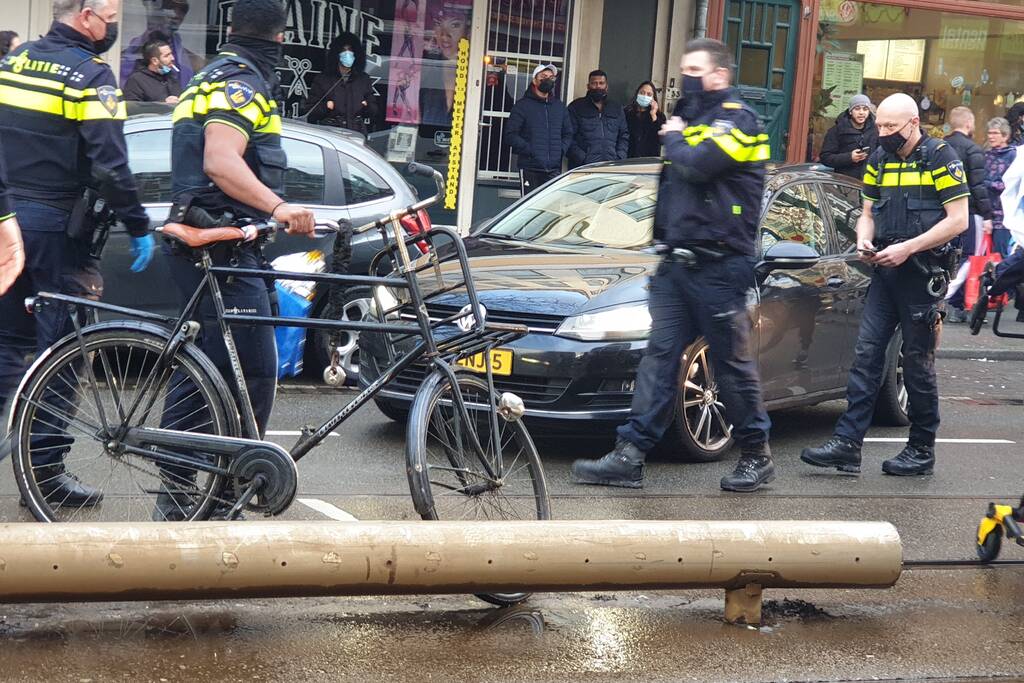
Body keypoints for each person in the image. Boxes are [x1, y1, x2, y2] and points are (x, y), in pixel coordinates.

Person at [570, 38, 774, 492]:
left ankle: (756, 455)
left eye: (695, 69)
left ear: (719, 74)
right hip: (677, 264)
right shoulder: (690, 118)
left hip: (721, 265)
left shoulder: (739, 119)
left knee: (730, 363)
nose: (687, 76)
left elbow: (700, 166)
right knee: (658, 360)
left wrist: (674, 136)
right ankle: (630, 455)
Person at [155, 0, 314, 519]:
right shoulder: (241, 84)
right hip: (218, 248)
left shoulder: (207, 78)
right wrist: (280, 205)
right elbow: (219, 161)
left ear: (230, 28)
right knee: (250, 371)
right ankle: (202, 497)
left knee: (210, 368)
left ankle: (201, 494)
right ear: (281, 38)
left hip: (220, 244)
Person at [0, 0, 155, 499]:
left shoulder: (12, 64)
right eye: (111, 17)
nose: (113, 26)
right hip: (57, 233)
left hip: (7, 228)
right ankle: (43, 477)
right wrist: (138, 224)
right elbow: (111, 162)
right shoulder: (90, 77)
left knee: (6, 347)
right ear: (86, 14)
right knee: (62, 353)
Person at [801, 93, 969, 478]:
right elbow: (866, 213)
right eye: (880, 125)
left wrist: (908, 248)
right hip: (885, 271)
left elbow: (958, 219)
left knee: (916, 364)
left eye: (891, 127)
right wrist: (862, 239)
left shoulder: (941, 158)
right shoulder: (879, 158)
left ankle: (921, 449)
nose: (882, 133)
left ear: (913, 123)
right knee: (865, 357)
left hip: (923, 274)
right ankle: (847, 445)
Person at [943, 106, 994, 322]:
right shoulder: (973, 150)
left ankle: (951, 302)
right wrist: (988, 215)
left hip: (942, 210)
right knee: (970, 257)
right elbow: (978, 186)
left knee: (947, 255)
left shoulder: (940, 147)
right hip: (969, 211)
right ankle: (949, 298)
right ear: (968, 124)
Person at [506, 64, 574, 196]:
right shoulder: (522, 106)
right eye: (543, 77)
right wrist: (530, 150)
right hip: (530, 168)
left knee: (551, 209)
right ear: (534, 80)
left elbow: (568, 133)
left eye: (551, 77)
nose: (548, 80)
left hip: (553, 169)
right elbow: (510, 135)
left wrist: (560, 150)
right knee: (528, 208)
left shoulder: (559, 107)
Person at [302, 32, 377, 137]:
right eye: (343, 50)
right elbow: (309, 112)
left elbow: (373, 111)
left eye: (350, 50)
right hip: (330, 135)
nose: (347, 53)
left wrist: (366, 106)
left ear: (356, 53)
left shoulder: (363, 79)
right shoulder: (323, 79)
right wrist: (326, 106)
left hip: (356, 134)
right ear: (336, 54)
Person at [120, 0, 200, 90]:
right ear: (148, 5)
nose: (175, 15)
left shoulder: (193, 62)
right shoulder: (122, 59)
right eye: (168, 7)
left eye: (182, 10)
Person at [567, 69, 628, 168]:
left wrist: (620, 156)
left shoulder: (616, 107)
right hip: (583, 167)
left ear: (606, 86)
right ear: (588, 86)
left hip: (611, 166)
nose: (598, 86)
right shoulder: (576, 107)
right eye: (594, 83)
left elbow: (624, 135)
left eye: (601, 83)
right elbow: (568, 137)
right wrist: (583, 158)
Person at [819, 94, 878, 180]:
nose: (861, 112)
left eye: (865, 109)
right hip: (845, 182)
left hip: (869, 182)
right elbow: (825, 157)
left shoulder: (875, 130)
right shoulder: (837, 130)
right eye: (857, 109)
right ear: (850, 111)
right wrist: (849, 157)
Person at [984, 117, 1017, 257]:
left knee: (1000, 255)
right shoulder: (985, 155)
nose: (991, 137)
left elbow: (1013, 184)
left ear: (1005, 136)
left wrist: (988, 184)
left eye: (995, 133)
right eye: (989, 133)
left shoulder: (1014, 156)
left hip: (1004, 217)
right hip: (985, 213)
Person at [123, 39, 181, 103]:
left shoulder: (171, 77)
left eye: (171, 54)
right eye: (167, 56)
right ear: (154, 61)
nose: (172, 58)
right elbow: (132, 107)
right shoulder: (136, 80)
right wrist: (163, 103)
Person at [624, 81, 666, 158]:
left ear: (653, 98)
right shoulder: (627, 113)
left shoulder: (659, 116)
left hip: (649, 160)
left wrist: (653, 115)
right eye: (642, 93)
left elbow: (662, 140)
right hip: (628, 158)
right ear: (637, 94)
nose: (645, 96)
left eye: (649, 94)